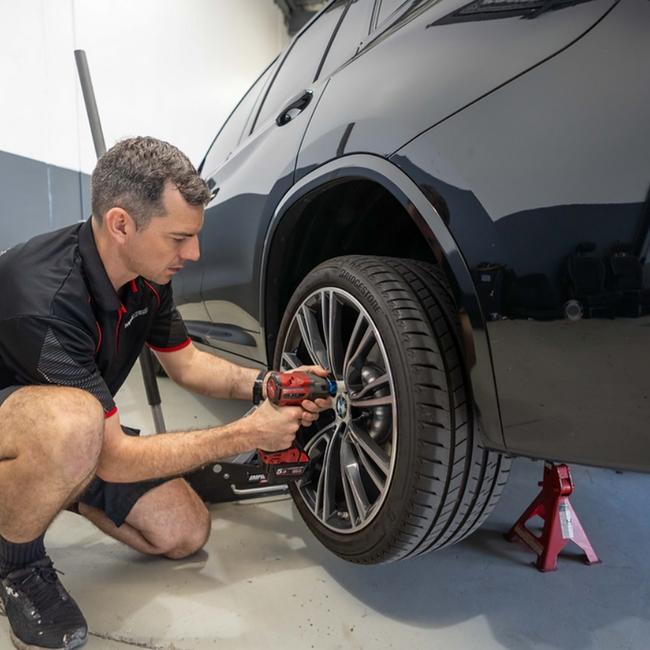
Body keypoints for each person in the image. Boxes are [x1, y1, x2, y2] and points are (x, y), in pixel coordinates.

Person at [0, 136, 329, 650]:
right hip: (31, 421)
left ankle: (51, 484)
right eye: (179, 238)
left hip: (72, 427)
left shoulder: (146, 275)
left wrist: (267, 384)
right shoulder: (44, 295)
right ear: (121, 224)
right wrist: (246, 432)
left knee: (184, 532)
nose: (193, 253)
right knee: (74, 425)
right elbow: (113, 457)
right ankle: (16, 567)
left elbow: (189, 365)